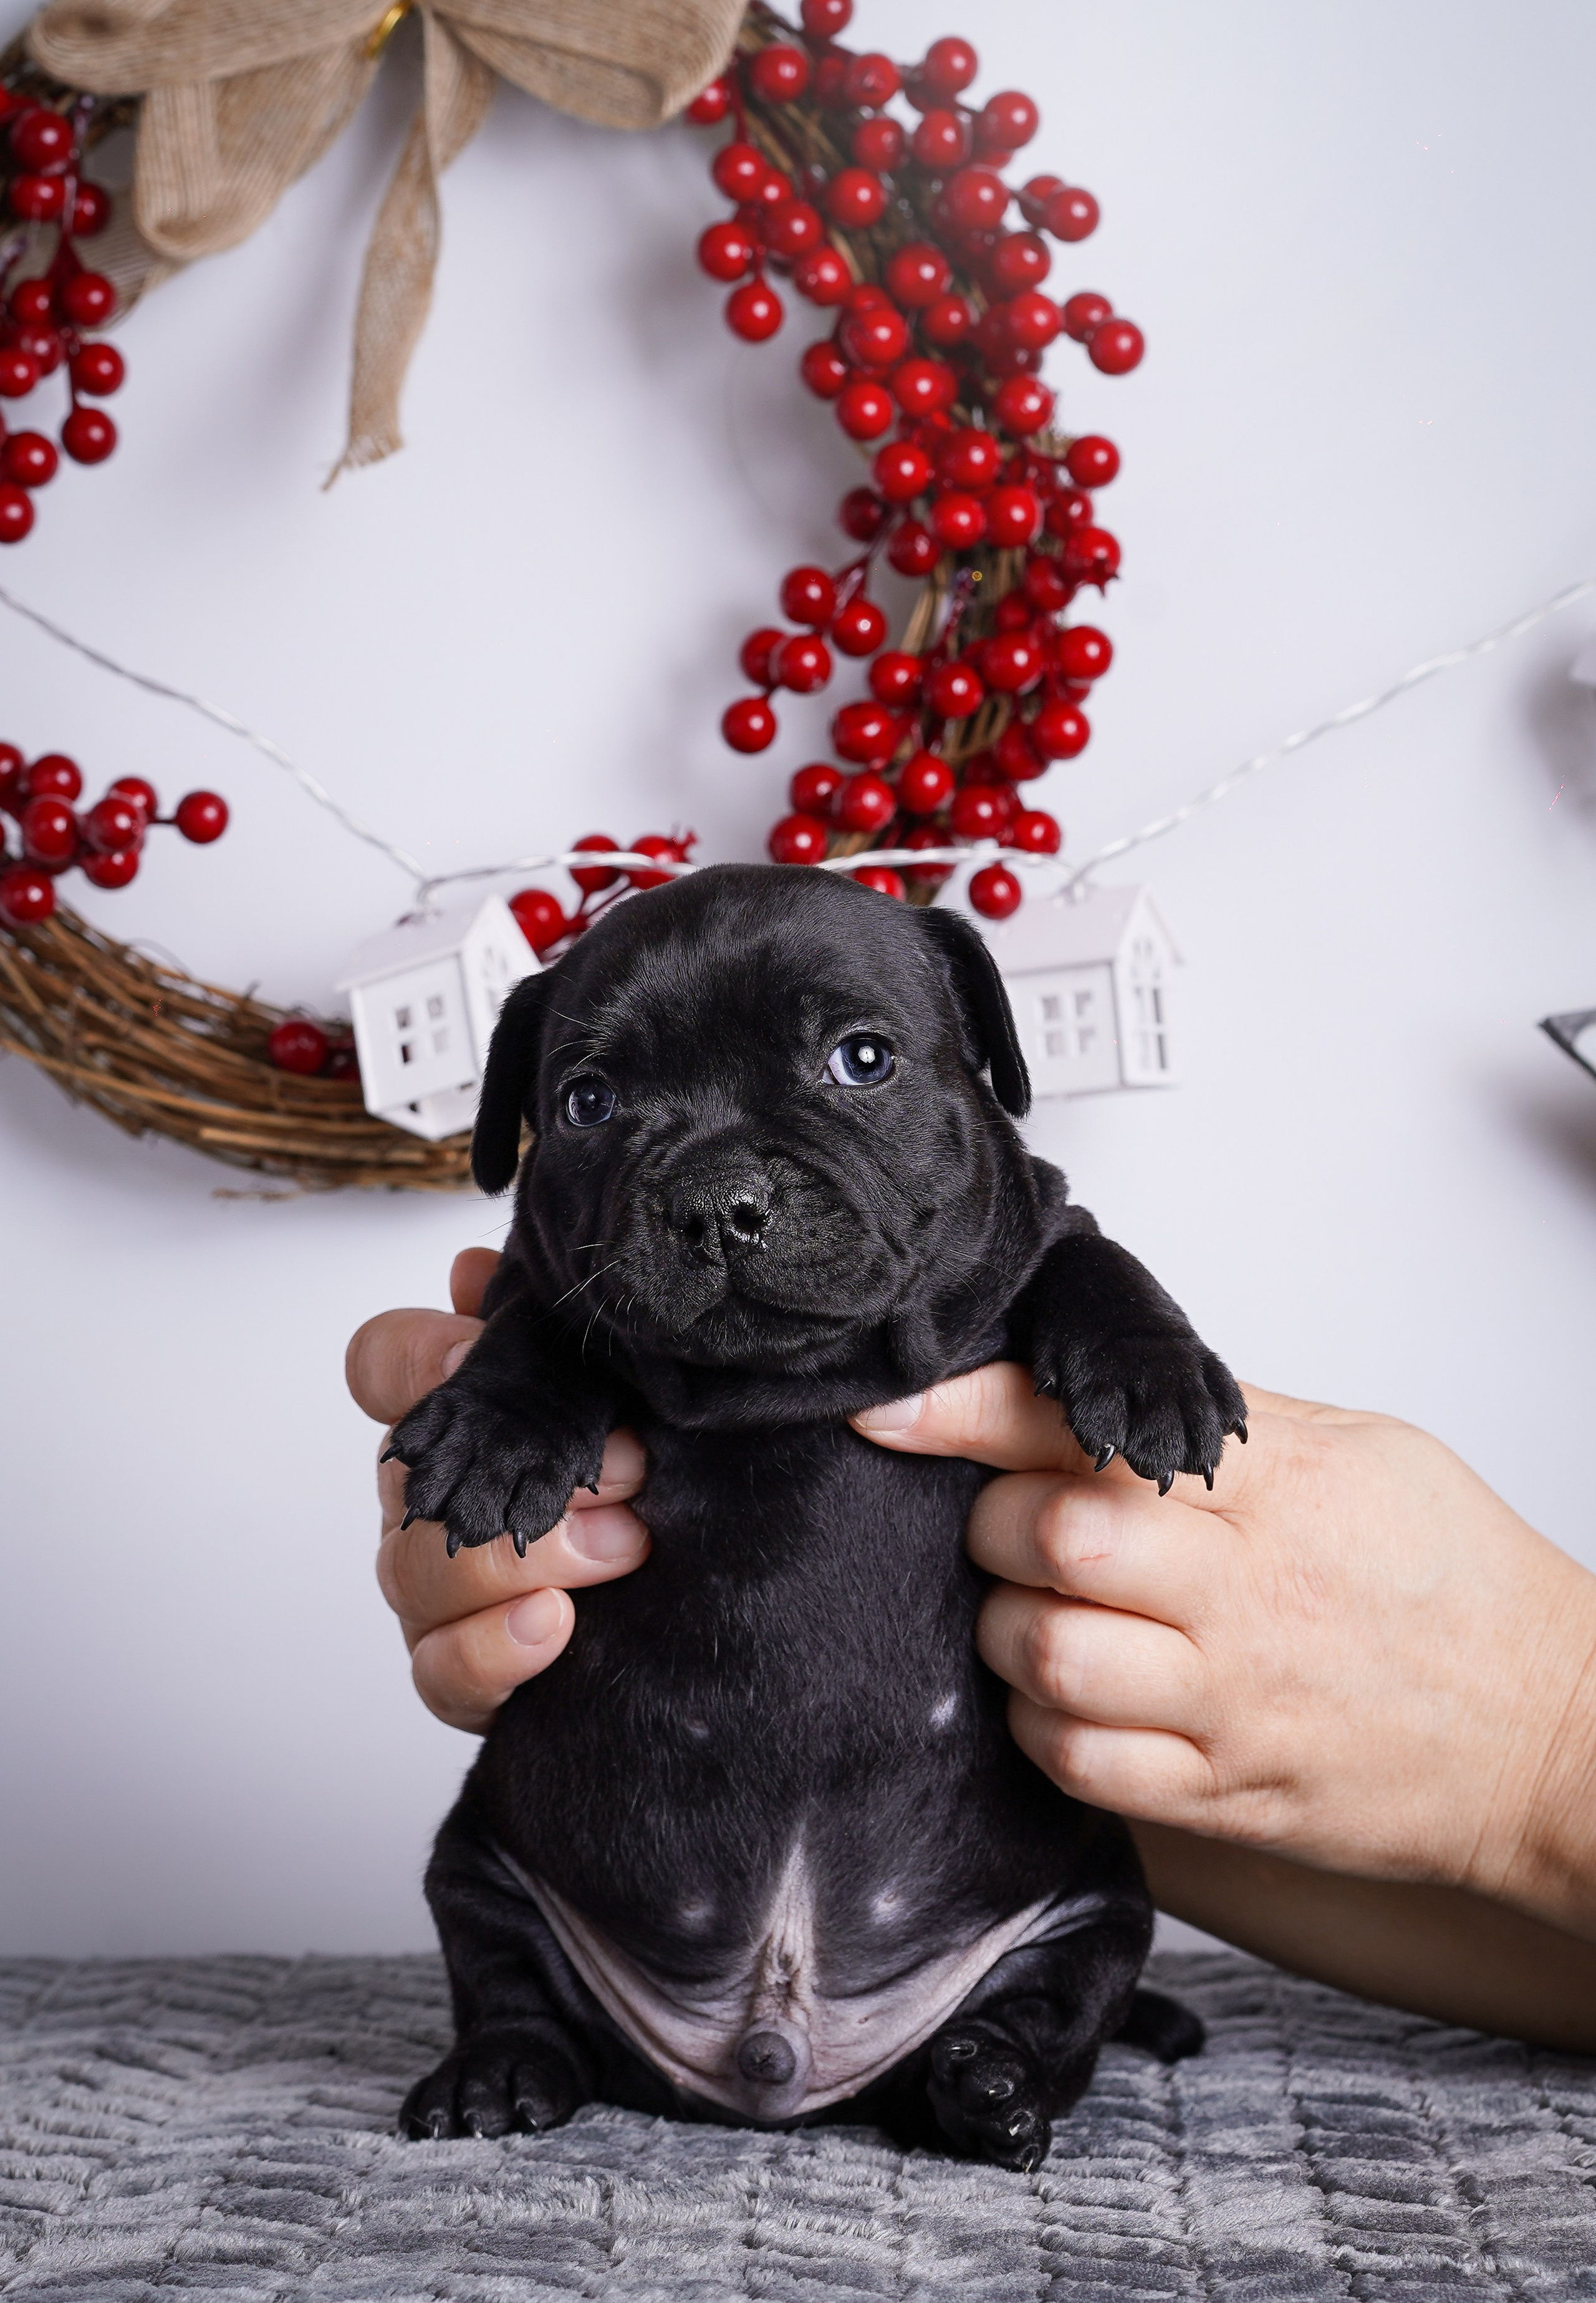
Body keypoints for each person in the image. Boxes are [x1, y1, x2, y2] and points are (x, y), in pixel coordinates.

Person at [347, 1246, 1596, 2054]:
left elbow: (1054, 1247)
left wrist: (1554, 1733)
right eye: (591, 1096)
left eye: (861, 1057)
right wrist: (1140, 1732)